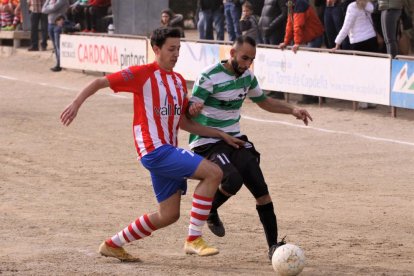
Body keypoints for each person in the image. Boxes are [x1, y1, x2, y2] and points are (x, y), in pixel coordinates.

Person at [60, 27, 245, 262]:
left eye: (178, 48)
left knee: (168, 215)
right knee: (214, 173)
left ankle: (112, 244)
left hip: (165, 151)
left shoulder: (178, 81)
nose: (176, 53)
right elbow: (99, 82)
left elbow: (184, 123)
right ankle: (193, 239)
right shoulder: (142, 74)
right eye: (171, 48)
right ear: (156, 49)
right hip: (155, 150)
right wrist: (76, 104)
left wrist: (220, 134)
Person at [188, 35, 313, 261]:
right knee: (232, 180)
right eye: (244, 58)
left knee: (261, 190)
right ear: (232, 53)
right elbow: (190, 109)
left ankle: (273, 246)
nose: (247, 64)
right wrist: (193, 108)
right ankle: (210, 210)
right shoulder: (209, 76)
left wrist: (292, 109)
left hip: (235, 140)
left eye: (251, 60)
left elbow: (264, 102)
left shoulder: (248, 77)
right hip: (208, 142)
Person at [279, 0, 324, 104]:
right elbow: (290, 24)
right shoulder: (292, 5)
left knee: (310, 67)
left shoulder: (300, 4)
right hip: (311, 37)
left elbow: (298, 25)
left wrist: (297, 42)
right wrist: (286, 42)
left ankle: (312, 97)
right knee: (308, 66)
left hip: (314, 37)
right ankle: (312, 96)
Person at [42, 0, 69, 72]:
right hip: (50, 23)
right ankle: (58, 63)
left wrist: (48, 8)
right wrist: (49, 8)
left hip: (59, 24)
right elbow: (43, 9)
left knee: (58, 45)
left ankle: (60, 64)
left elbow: (54, 7)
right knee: (55, 45)